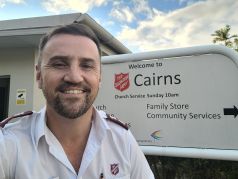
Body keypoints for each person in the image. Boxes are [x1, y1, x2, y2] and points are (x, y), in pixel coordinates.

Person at [0, 23, 154, 178]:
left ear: (99, 77)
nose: (74, 77)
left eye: (86, 66)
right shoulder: (7, 143)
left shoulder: (121, 139)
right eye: (59, 64)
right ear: (39, 76)